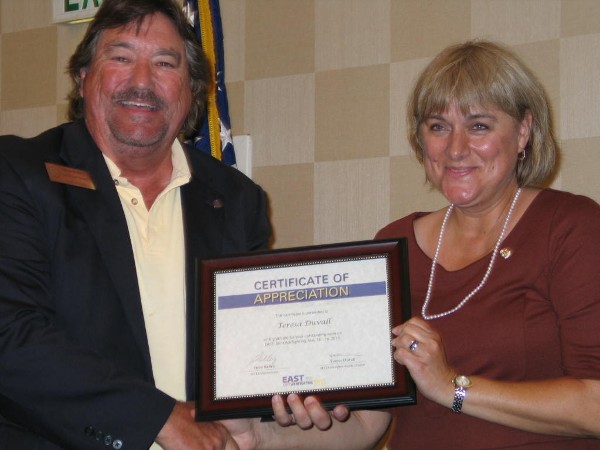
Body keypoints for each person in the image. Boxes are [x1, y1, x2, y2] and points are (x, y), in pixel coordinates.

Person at [225, 40, 600, 450]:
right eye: (438, 126)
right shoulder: (394, 242)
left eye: (479, 126)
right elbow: (369, 422)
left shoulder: (570, 227)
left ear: (523, 131)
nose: (455, 148)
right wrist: (264, 436)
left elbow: (594, 405)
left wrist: (453, 387)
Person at [0, 0, 270, 449]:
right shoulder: (18, 173)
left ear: (191, 90)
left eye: (165, 63)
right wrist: (159, 419)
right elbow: (10, 332)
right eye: (121, 58)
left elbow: (253, 343)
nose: (142, 81)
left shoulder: (238, 199)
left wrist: (310, 386)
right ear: (84, 78)